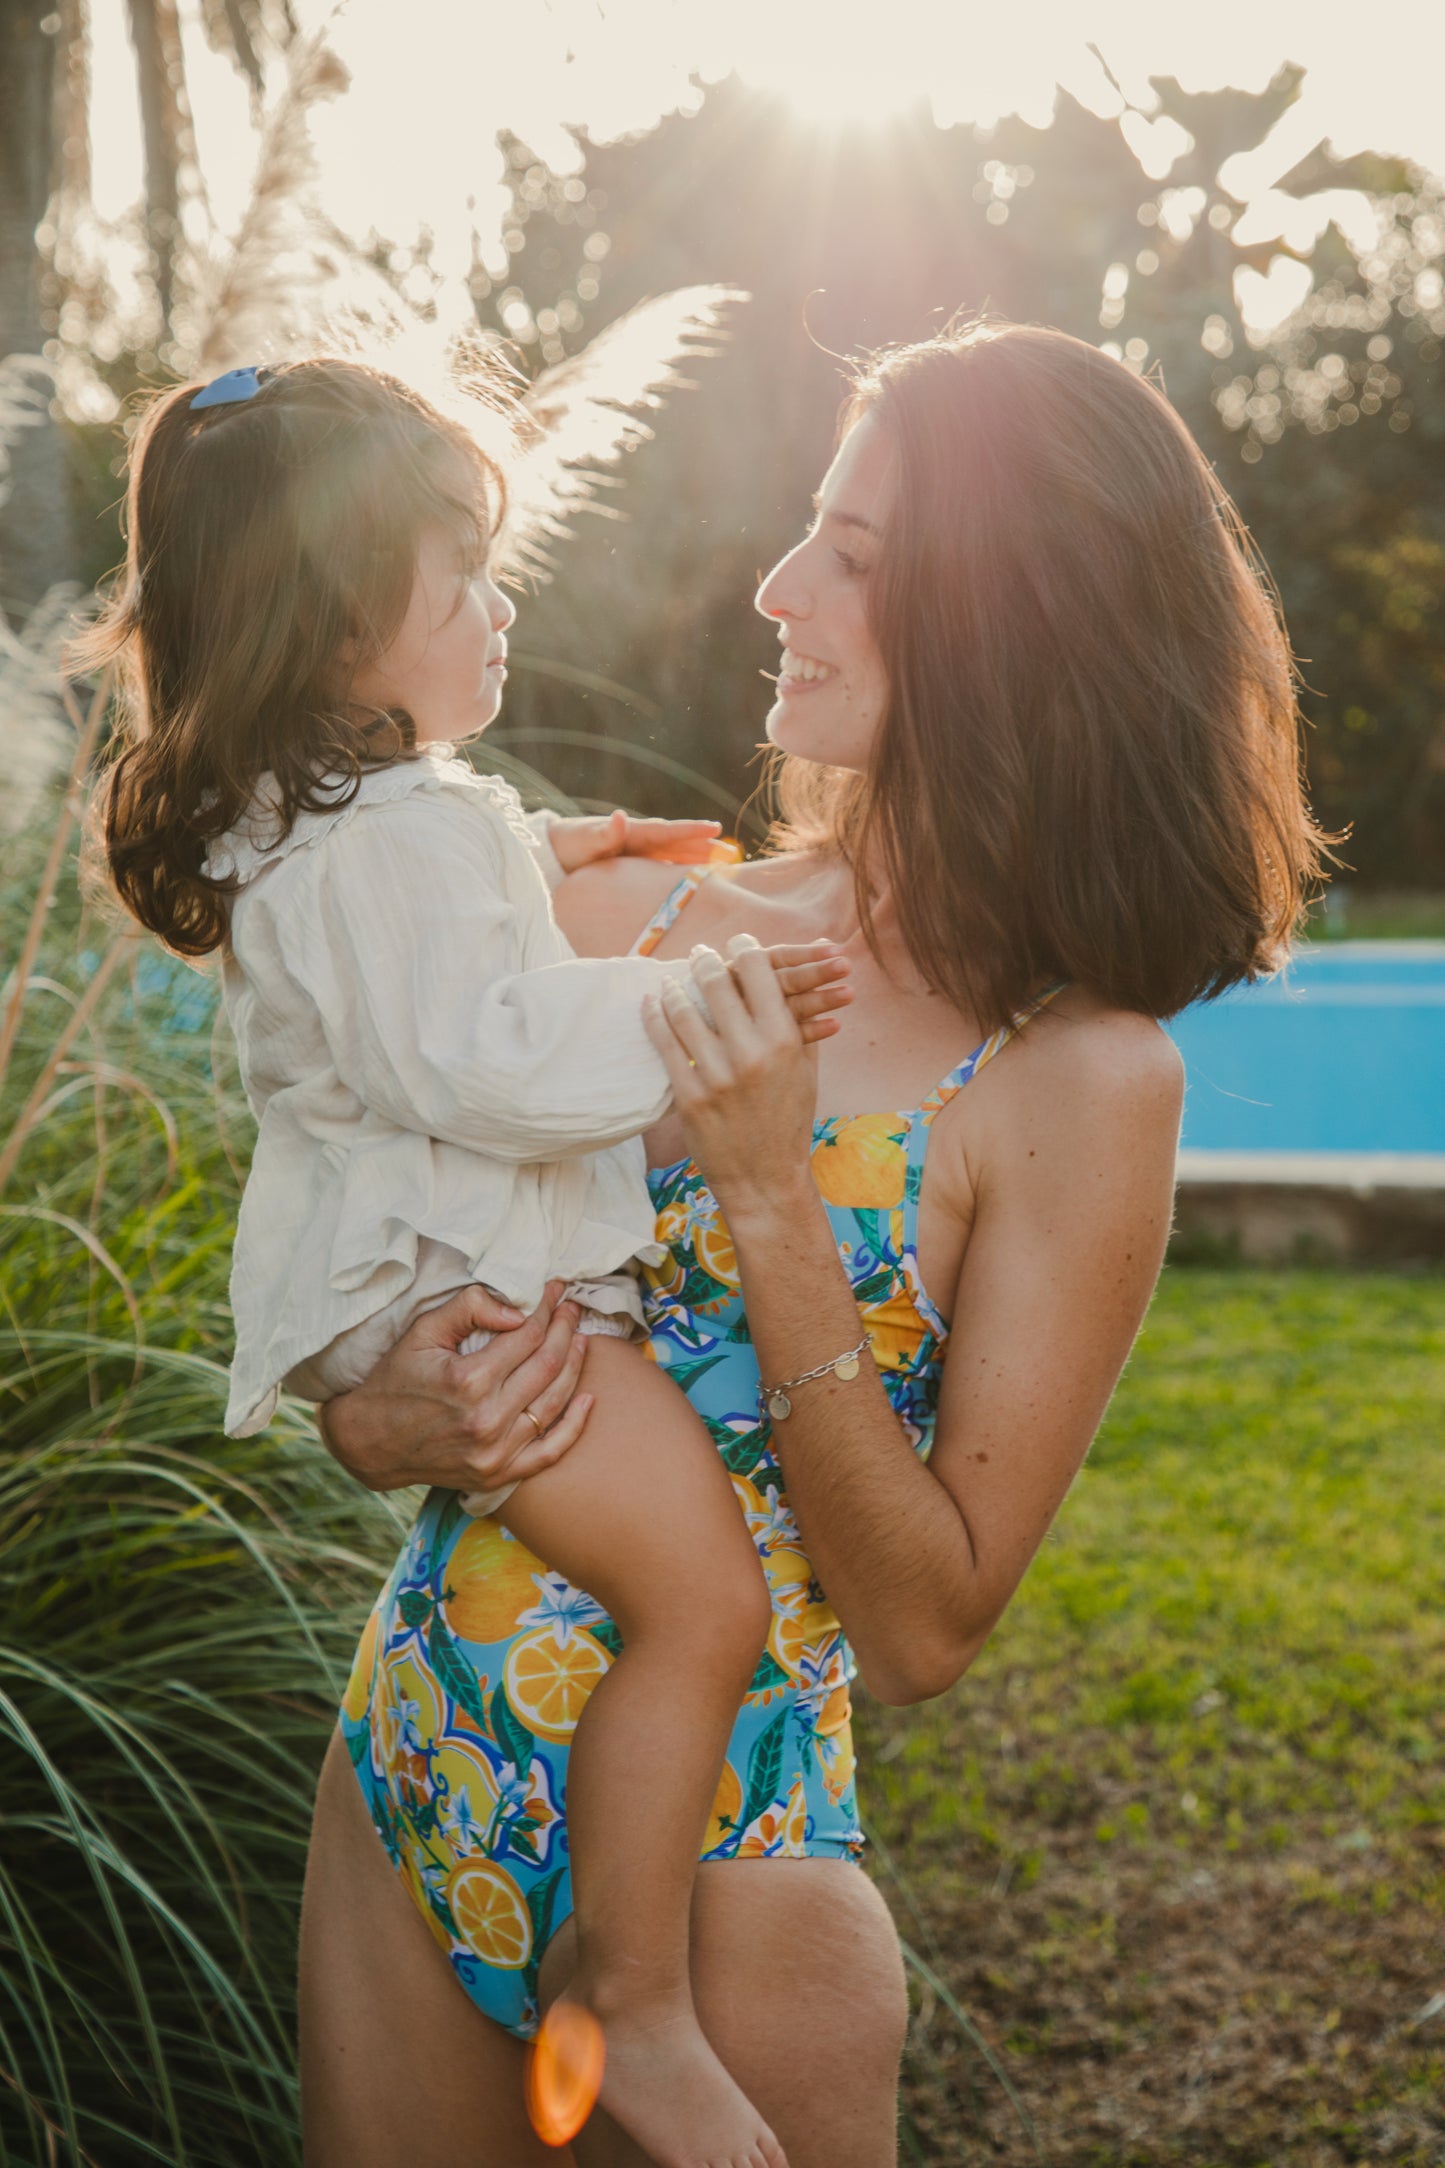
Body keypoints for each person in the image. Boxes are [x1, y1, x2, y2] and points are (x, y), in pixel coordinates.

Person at [304, 318, 1327, 2168]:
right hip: (410, 1763)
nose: (779, 588)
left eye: (852, 557)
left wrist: (777, 1204)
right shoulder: (618, 907)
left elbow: (927, 1620)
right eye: (807, 529)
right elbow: (362, 1260)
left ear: (1014, 619)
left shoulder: (1078, 1078)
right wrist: (375, 1418)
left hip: (727, 1862)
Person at [88, 357, 861, 2168]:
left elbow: (424, 928)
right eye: (461, 572)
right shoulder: (408, 824)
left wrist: (553, 846)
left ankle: (625, 1977)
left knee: (686, 1599)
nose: (499, 604)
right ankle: (640, 2007)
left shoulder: (311, 819)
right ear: (338, 615)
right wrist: (695, 1002)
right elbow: (481, 1055)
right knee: (708, 1604)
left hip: (403, 1298)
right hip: (484, 1304)